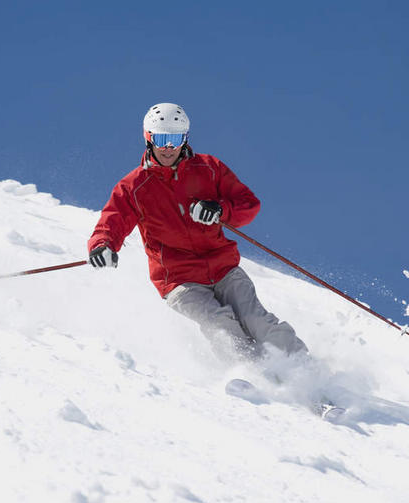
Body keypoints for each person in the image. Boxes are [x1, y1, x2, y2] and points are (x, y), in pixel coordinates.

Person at [88, 103, 307, 360]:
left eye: (175, 139)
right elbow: (112, 220)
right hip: (180, 279)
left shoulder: (209, 168)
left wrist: (220, 210)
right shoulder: (134, 186)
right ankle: (255, 377)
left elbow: (249, 205)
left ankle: (306, 374)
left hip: (224, 268)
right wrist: (102, 245)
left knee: (257, 321)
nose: (168, 147)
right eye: (161, 139)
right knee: (222, 325)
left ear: (185, 139)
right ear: (148, 138)